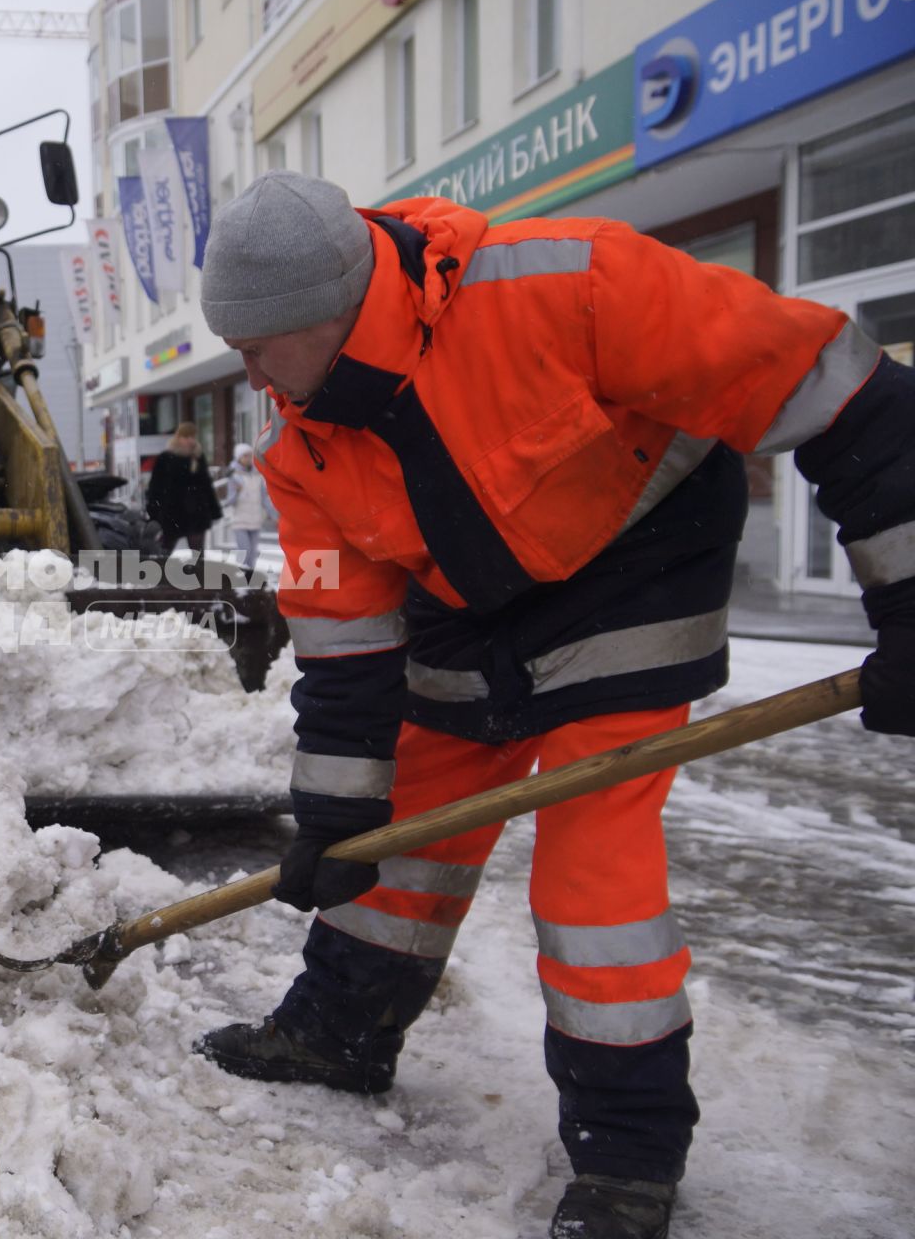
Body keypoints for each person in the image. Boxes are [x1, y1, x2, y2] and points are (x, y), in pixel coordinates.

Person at [189, 171, 914, 1239]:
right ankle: (338, 1032)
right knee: (405, 826)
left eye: (259, 344)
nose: (247, 373)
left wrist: (907, 596)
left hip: (634, 567)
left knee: (592, 879)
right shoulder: (304, 446)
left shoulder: (568, 285)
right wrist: (336, 816)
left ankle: (626, 1153)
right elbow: (344, 642)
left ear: (334, 312)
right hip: (465, 596)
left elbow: (838, 384)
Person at [144, 421, 221, 558]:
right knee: (165, 550)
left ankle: (199, 577)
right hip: (172, 512)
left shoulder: (197, 457)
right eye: (186, 437)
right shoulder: (165, 458)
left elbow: (206, 485)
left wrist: (214, 510)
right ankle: (159, 577)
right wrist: (153, 511)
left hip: (196, 512)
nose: (190, 440)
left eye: (192, 436)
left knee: (198, 553)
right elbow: (155, 487)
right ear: (178, 438)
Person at [219, 441, 275, 580]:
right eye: (245, 456)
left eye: (250, 456)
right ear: (238, 457)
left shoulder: (258, 474)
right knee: (245, 551)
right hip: (239, 520)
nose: (248, 459)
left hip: (255, 519)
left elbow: (264, 497)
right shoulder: (233, 475)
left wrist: (273, 514)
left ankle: (250, 579)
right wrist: (236, 492)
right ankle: (240, 578)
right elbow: (229, 501)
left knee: (253, 553)